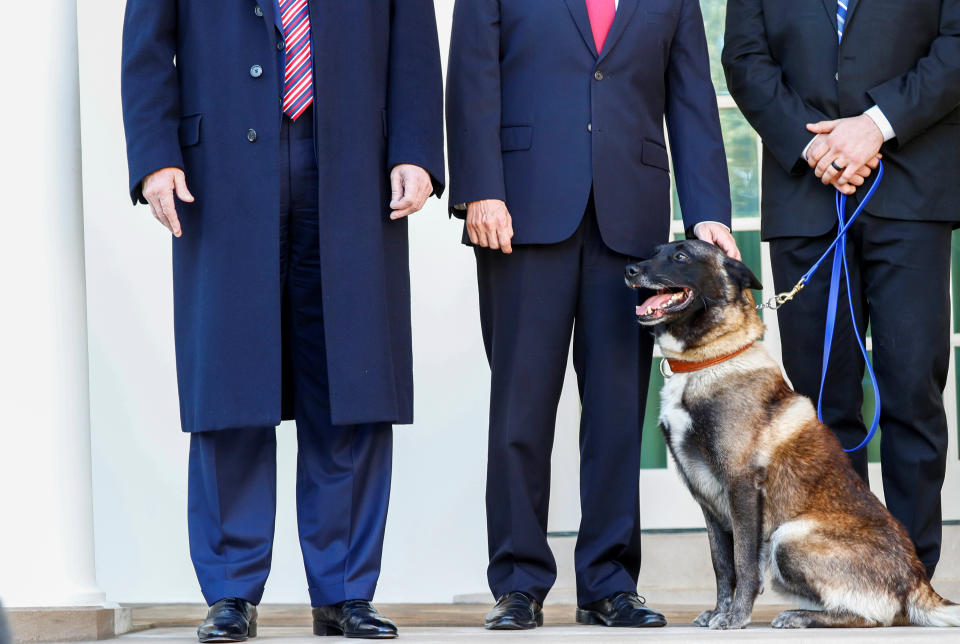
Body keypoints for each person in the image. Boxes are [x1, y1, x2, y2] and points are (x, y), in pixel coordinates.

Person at [121, 1, 444, 640]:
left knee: (351, 381)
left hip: (355, 169)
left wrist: (416, 149)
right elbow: (148, 50)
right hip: (219, 175)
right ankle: (231, 592)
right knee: (232, 385)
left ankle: (346, 593)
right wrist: (155, 155)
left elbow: (411, 39)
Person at [447, 0, 739, 630]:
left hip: (630, 229)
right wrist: (480, 189)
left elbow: (690, 97)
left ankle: (608, 583)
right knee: (521, 411)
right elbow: (471, 76)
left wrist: (708, 210)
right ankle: (518, 583)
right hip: (519, 215)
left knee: (614, 413)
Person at [723, 0, 960, 581]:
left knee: (912, 391)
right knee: (824, 405)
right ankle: (846, 573)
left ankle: (910, 575)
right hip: (806, 196)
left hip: (913, 195)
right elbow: (745, 59)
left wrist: (874, 126)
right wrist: (817, 148)